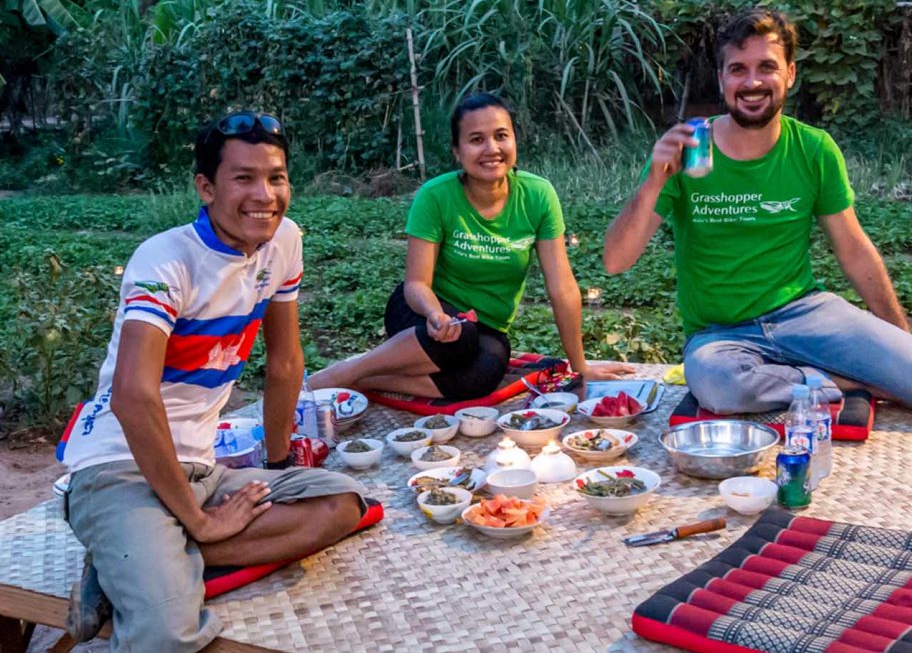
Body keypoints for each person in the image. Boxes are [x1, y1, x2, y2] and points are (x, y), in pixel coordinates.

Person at [59, 111, 366, 652]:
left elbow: (285, 362)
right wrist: (199, 520)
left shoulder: (283, 242)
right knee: (166, 634)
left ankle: (133, 562)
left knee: (340, 503)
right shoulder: (165, 259)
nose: (264, 195)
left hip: (203, 466)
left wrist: (276, 466)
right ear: (205, 187)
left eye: (276, 177)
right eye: (243, 178)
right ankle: (144, 553)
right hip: (119, 465)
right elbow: (133, 398)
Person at [603, 10, 912, 416]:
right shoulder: (688, 150)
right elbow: (615, 261)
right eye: (737, 69)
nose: (752, 83)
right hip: (721, 336)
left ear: (791, 73)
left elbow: (853, 250)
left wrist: (904, 350)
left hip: (805, 314)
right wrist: (653, 182)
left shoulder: (813, 149)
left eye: (767, 67)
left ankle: (803, 376)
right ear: (721, 78)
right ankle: (839, 382)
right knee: (718, 386)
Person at [308, 93, 632, 397]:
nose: (492, 148)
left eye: (501, 136)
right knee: (459, 338)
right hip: (421, 313)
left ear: (514, 140)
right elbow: (416, 283)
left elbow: (562, 287)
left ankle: (365, 380)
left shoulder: (538, 195)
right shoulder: (435, 196)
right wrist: (435, 315)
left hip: (486, 326)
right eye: (476, 140)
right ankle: (342, 372)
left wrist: (580, 366)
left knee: (487, 371)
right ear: (457, 150)